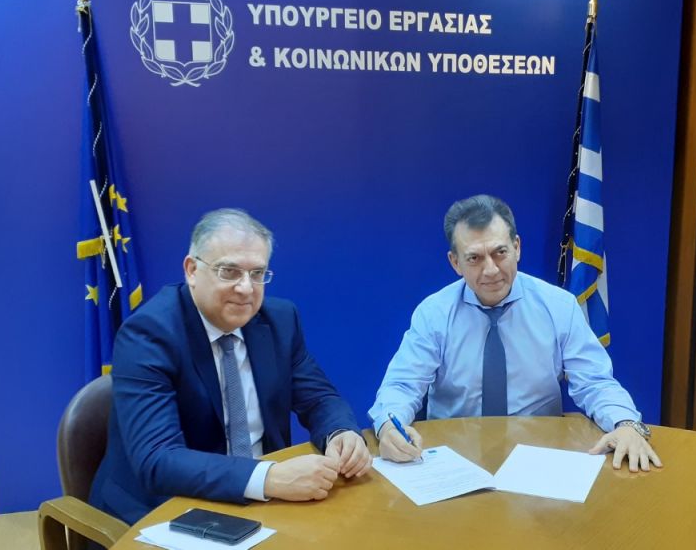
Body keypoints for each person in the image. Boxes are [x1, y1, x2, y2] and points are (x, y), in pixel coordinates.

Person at [90, 208, 370, 525]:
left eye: (257, 273)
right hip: (166, 506)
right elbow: (158, 459)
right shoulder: (148, 335)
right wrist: (268, 478)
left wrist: (340, 432)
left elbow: (319, 398)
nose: (246, 288)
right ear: (192, 270)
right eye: (229, 272)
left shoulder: (279, 320)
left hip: (268, 499)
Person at [368, 195, 661, 472]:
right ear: (455, 263)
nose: (491, 270)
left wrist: (626, 424)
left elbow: (595, 382)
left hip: (539, 460)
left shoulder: (559, 307)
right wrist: (389, 427)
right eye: (474, 258)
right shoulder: (434, 314)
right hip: (454, 459)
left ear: (517, 248)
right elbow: (403, 385)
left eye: (500, 253)